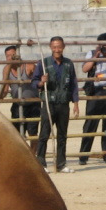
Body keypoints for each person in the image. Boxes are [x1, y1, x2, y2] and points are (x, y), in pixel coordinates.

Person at [32, 36, 79, 173]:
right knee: (44, 134)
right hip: (49, 103)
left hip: (63, 103)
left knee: (62, 135)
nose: (57, 49)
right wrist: (41, 82)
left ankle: (61, 164)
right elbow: (34, 81)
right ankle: (41, 163)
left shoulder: (69, 64)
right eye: (54, 47)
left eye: (59, 46)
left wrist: (75, 103)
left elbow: (73, 84)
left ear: (63, 47)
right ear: (50, 47)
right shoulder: (43, 62)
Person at [79, 32, 106, 165]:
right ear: (97, 44)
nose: (105, 46)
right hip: (95, 92)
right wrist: (95, 56)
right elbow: (85, 69)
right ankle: (84, 155)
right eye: (102, 44)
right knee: (90, 124)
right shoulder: (91, 53)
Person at [0, 44, 37, 140]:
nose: (11, 58)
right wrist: (0, 96)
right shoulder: (7, 69)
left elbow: (38, 79)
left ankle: (32, 154)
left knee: (33, 133)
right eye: (8, 56)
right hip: (17, 104)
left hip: (32, 104)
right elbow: (5, 88)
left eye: (13, 55)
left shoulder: (29, 66)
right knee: (16, 134)